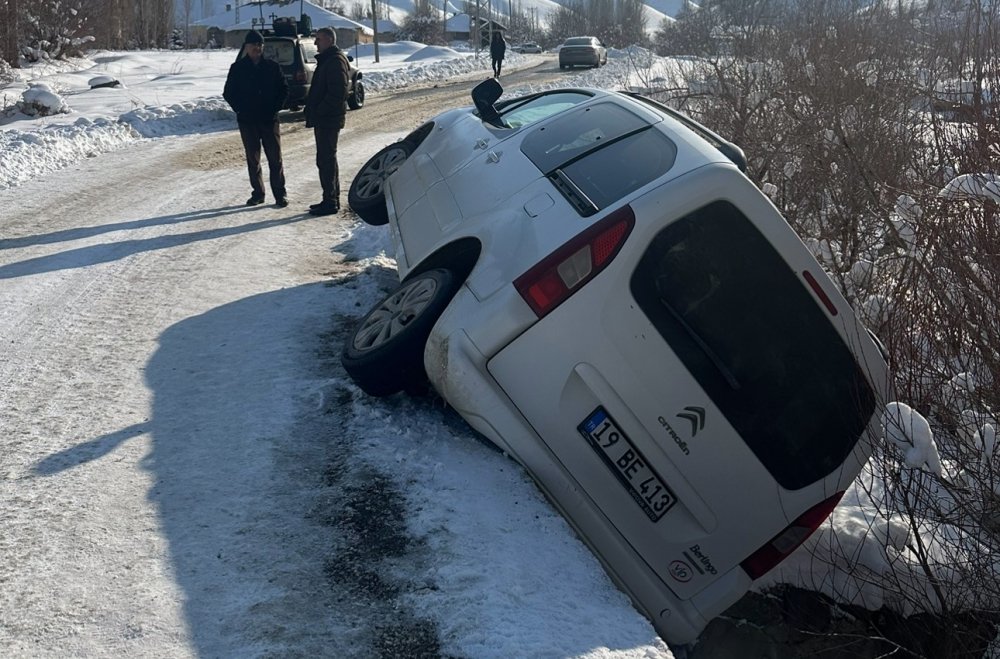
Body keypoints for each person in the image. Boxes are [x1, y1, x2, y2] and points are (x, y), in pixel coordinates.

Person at [223, 30, 289, 207]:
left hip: (269, 121)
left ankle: (280, 194)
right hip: (248, 122)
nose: (257, 48)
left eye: (259, 45)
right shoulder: (237, 68)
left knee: (275, 159)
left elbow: (284, 90)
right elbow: (228, 93)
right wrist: (241, 111)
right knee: (253, 159)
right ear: (246, 47)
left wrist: (274, 109)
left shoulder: (272, 67)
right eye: (253, 45)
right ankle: (258, 193)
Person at [305, 27, 350, 216]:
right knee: (325, 159)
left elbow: (338, 93)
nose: (316, 43)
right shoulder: (328, 60)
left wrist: (320, 110)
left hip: (329, 119)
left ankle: (330, 201)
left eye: (319, 39)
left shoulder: (335, 61)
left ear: (330, 40)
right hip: (325, 119)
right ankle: (330, 198)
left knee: (326, 159)